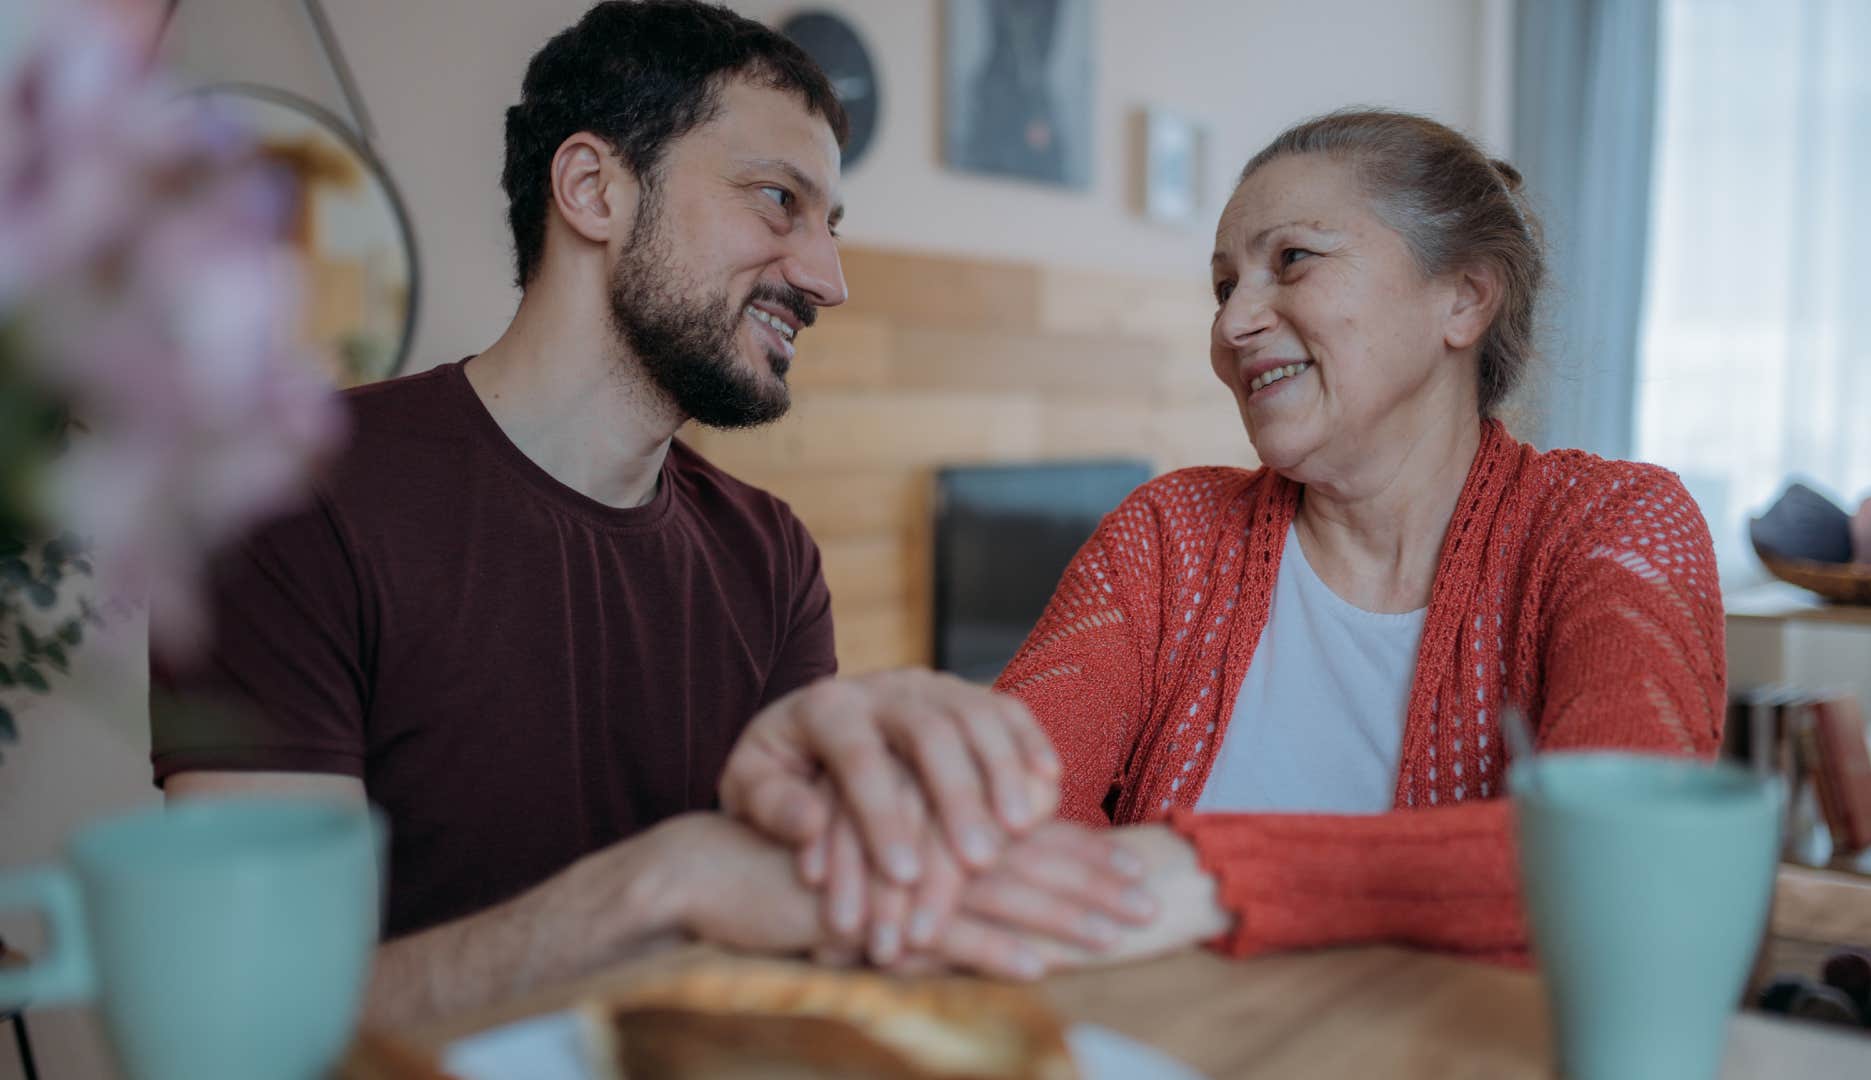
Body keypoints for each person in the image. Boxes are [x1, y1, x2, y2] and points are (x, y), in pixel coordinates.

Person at [150, 0, 1145, 1025]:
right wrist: (656, 886)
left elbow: (785, 938)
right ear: (593, 189)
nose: (829, 280)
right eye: (777, 201)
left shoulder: (773, 560)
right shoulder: (285, 500)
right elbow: (247, 1026)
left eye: (829, 226)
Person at [741, 108, 1727, 973]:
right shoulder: (1168, 534)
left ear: (1463, 297)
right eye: (1222, 287)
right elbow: (1003, 811)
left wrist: (1206, 872)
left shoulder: (1616, 527)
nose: (1236, 324)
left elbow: (1624, 865)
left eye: (1291, 260)